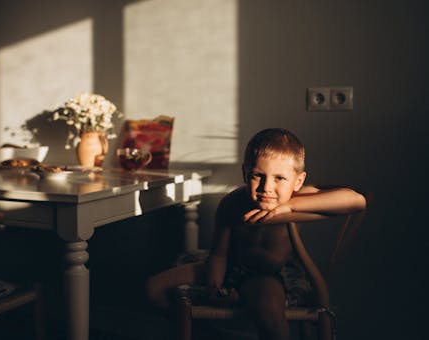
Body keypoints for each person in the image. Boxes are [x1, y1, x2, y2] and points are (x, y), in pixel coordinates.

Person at [145, 128, 366, 340]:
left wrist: (290, 208)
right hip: (230, 265)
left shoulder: (297, 197)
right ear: (245, 173)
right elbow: (219, 254)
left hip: (266, 274)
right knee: (153, 289)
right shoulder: (232, 203)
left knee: (270, 313)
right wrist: (215, 287)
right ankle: (203, 333)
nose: (266, 187)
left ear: (298, 181)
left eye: (279, 178)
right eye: (258, 175)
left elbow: (357, 200)